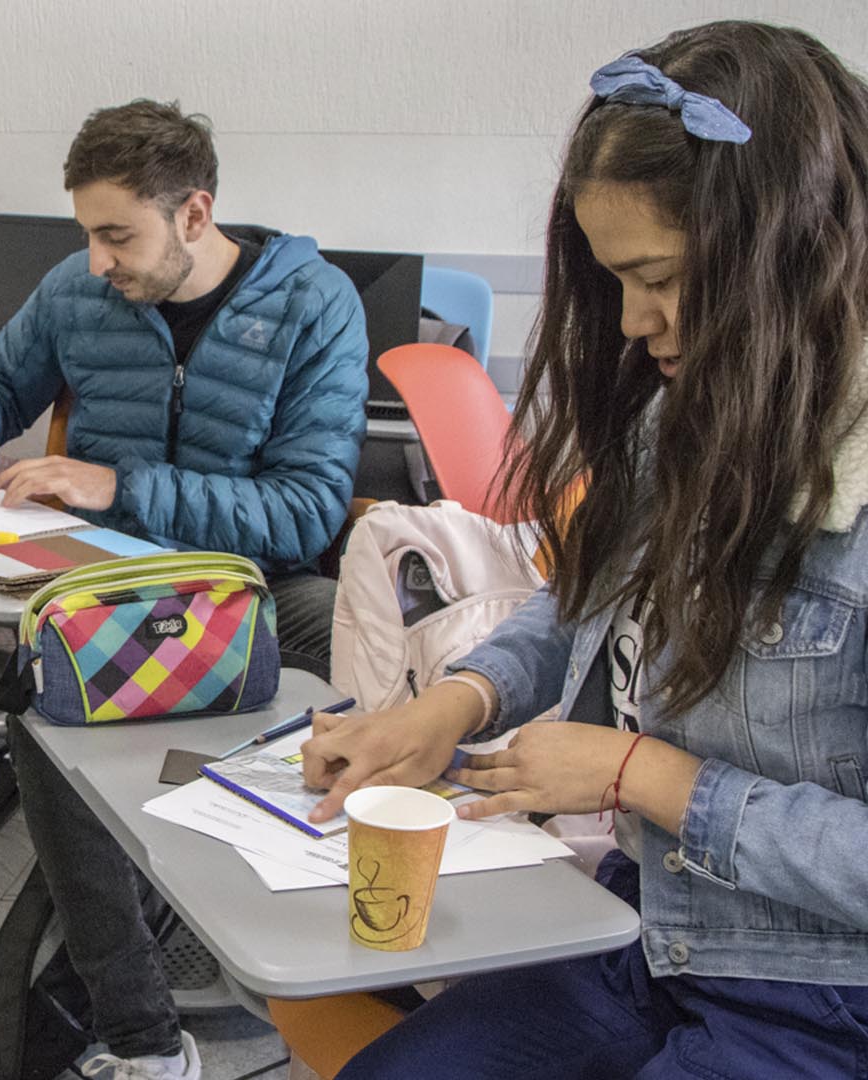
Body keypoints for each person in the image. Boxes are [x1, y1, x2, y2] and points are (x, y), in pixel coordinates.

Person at [304, 21, 868, 1079]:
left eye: (657, 276)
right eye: (613, 279)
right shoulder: (687, 414)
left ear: (788, 249)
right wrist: (452, 705)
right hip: (648, 938)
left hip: (824, 996)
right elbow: (588, 602)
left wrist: (643, 773)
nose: (630, 322)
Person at [0, 100, 369, 1079]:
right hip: (110, 594)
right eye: (87, 232)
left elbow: (306, 515)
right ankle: (141, 1035)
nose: (96, 262)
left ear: (195, 215)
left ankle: (326, 956)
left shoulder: (314, 303)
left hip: (252, 598)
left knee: (346, 641)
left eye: (117, 235)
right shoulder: (78, 292)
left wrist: (122, 487)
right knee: (46, 704)